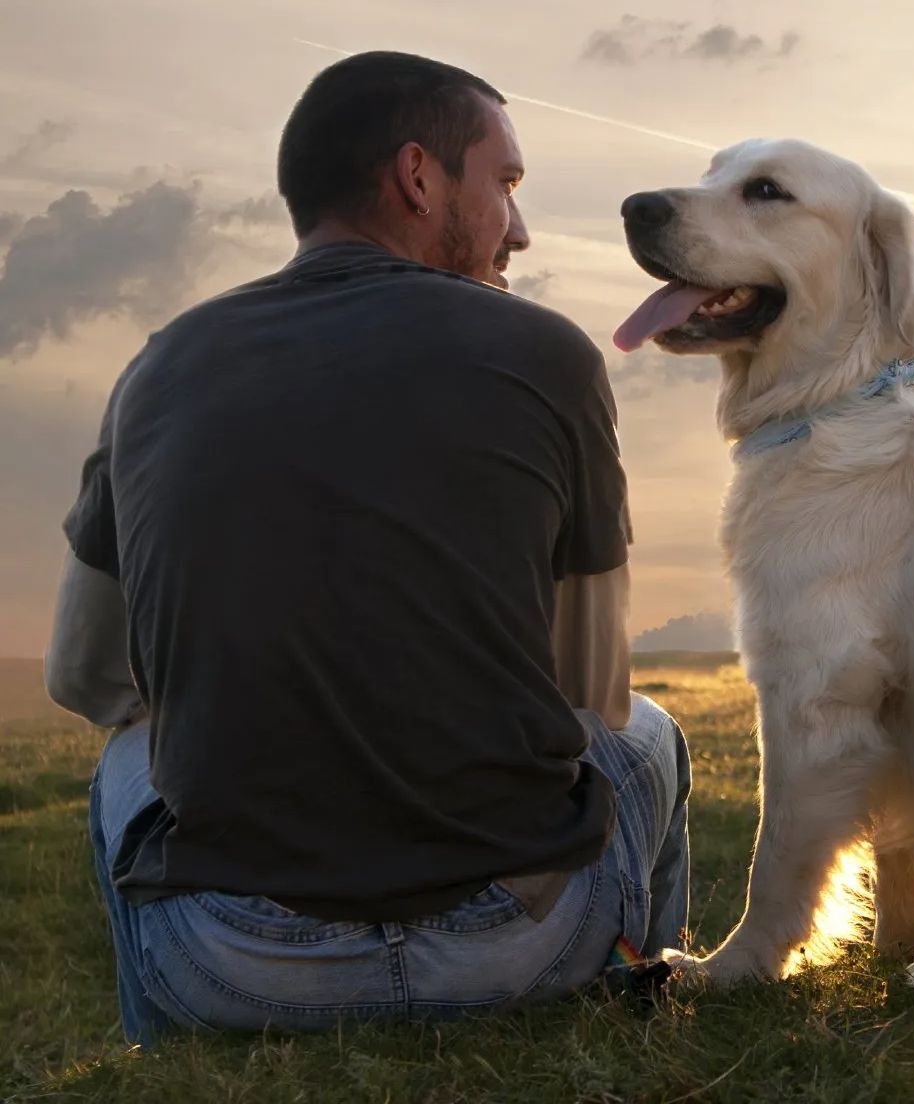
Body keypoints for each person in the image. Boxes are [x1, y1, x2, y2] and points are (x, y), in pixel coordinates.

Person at [44, 51, 689, 1045]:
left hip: (235, 967)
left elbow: (84, 678)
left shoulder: (157, 366)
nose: (519, 228)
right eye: (506, 183)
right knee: (645, 733)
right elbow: (590, 690)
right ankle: (638, 992)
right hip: (517, 948)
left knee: (131, 751)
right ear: (420, 176)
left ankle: (163, 1050)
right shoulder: (548, 352)